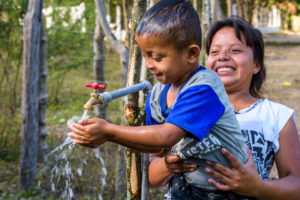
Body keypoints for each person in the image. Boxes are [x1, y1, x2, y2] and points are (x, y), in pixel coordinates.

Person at [69, 1, 248, 199]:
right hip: (188, 187)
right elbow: (155, 146)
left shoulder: (204, 88)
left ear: (191, 54)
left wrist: (110, 131)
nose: (149, 65)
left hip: (230, 192)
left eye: (157, 57)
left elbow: (166, 136)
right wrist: (109, 137)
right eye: (146, 56)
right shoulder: (158, 92)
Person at [148, 17, 300, 200]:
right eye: (215, 51)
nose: (223, 57)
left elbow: (296, 185)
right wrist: (167, 165)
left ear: (256, 65)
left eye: (235, 50)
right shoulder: (180, 105)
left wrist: (259, 188)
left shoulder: (276, 116)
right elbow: (152, 176)